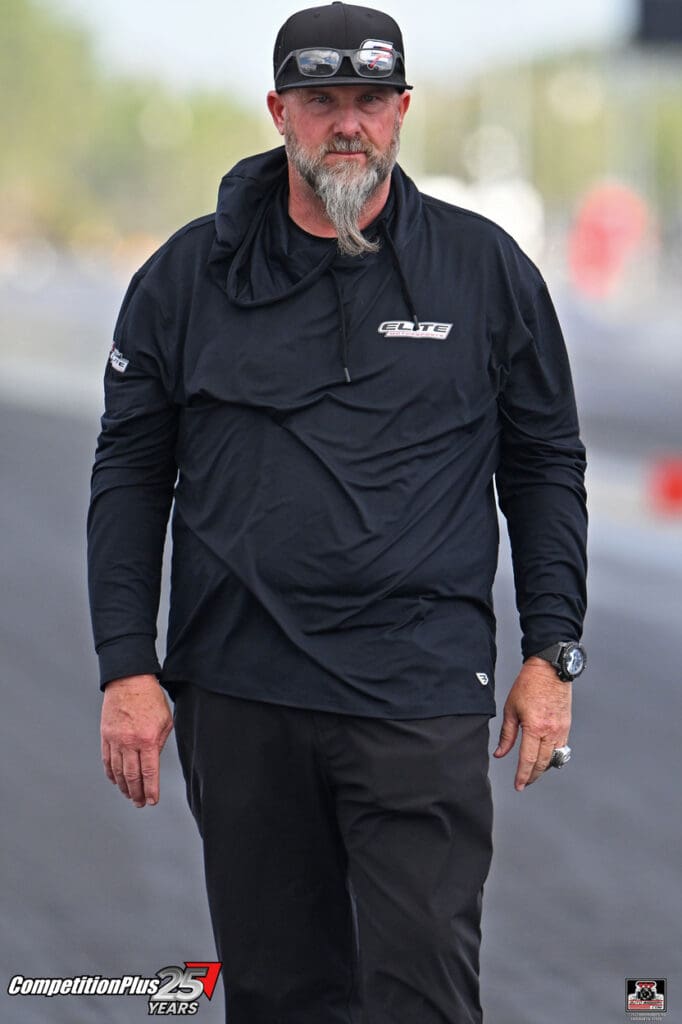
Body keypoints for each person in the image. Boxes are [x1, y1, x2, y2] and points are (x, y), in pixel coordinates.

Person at [87, 3, 588, 1022]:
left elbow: (544, 466)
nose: (346, 123)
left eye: (369, 100)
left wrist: (552, 651)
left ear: (402, 111)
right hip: (243, 693)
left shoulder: (485, 271)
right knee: (281, 996)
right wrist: (125, 665)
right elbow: (130, 474)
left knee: (423, 991)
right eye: (322, 102)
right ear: (280, 111)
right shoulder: (186, 277)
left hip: (419, 692)